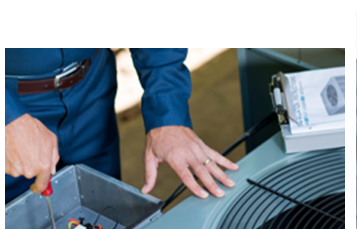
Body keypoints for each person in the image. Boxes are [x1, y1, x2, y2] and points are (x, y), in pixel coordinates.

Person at [5, 48, 237, 204]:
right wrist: (7, 117)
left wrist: (167, 113)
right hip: (11, 97)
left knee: (102, 209)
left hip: (92, 87)